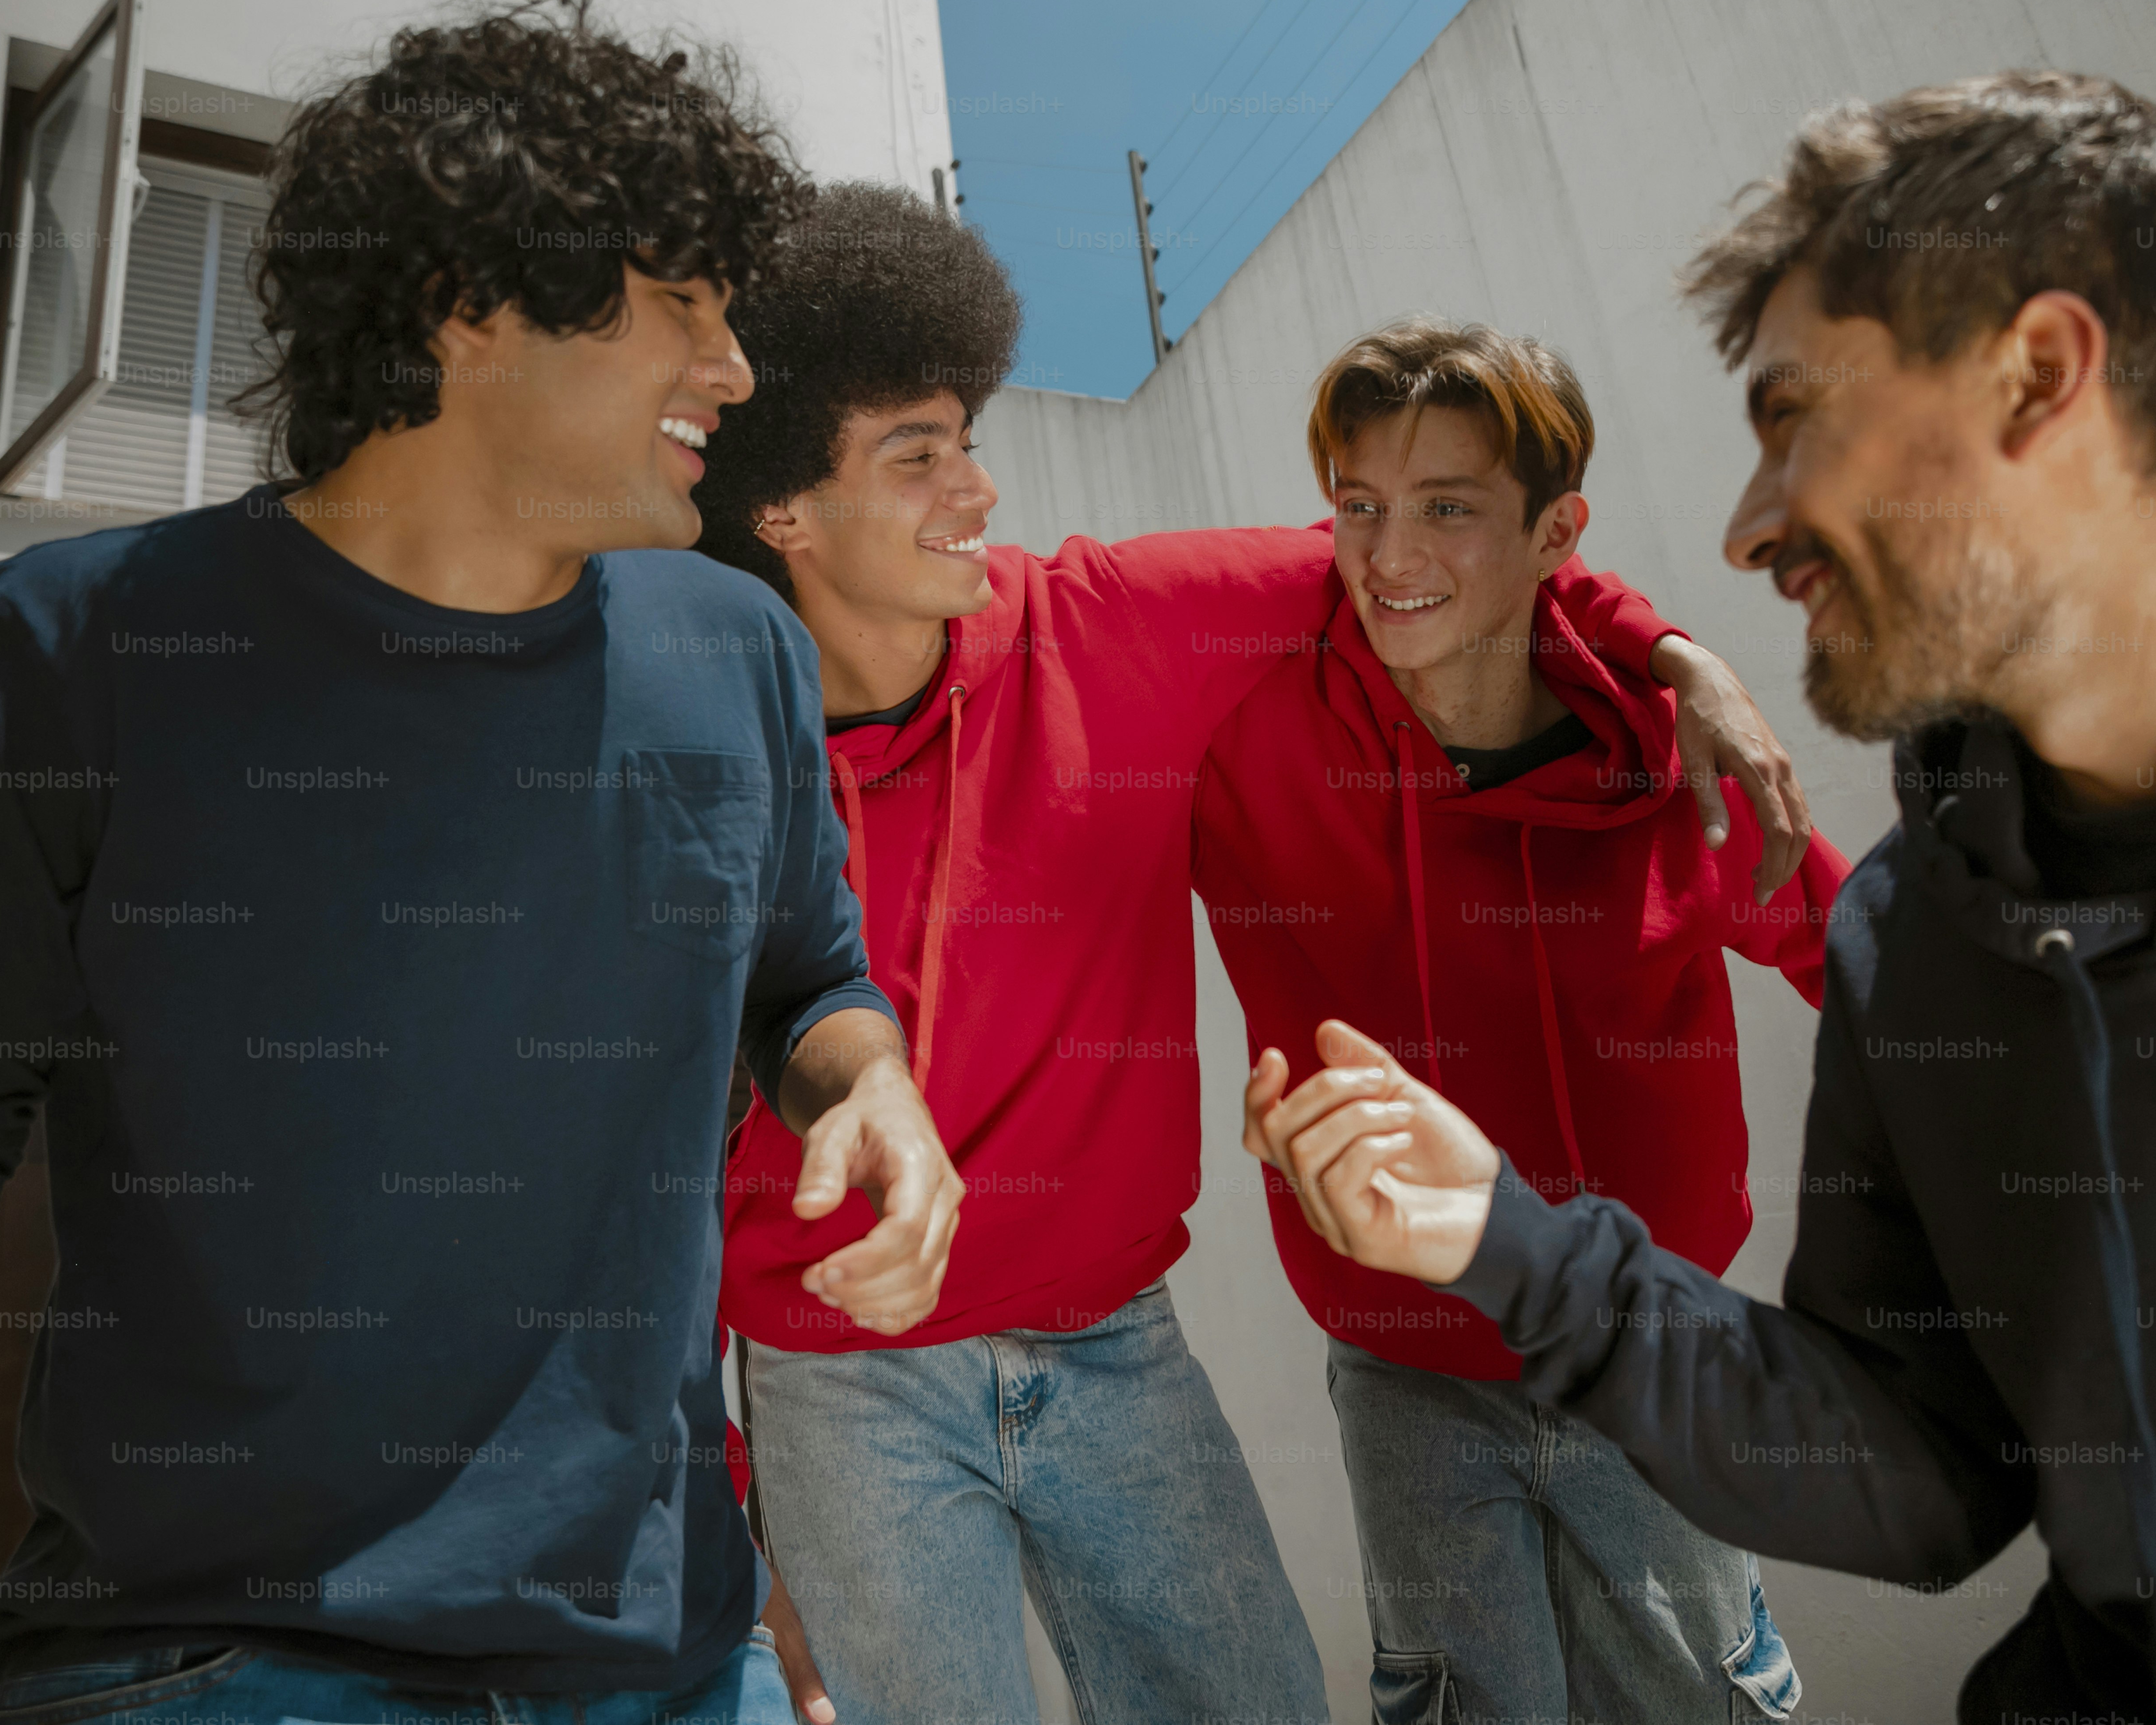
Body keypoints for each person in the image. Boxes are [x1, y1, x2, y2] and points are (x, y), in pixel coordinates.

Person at [1245, 71, 2156, 1725]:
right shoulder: (1923, 941)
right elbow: (1916, 1460)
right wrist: (1505, 1241)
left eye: (1795, 421)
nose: (1749, 531)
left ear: (2040, 375)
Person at [0, 0, 957, 1725]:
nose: (737, 369)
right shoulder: (62, 652)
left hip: (674, 1662)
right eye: (681, 306)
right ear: (464, 305)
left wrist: (871, 1087)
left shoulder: (740, 646)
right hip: (210, 1658)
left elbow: (809, 978)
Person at [689, 180, 1807, 1725]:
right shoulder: (701, 756)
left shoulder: (1116, 627)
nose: (983, 487)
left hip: (1113, 1351)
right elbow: (644, 1170)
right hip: (835, 1381)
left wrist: (1669, 653)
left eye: (971, 435)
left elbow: (1436, 553)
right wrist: (737, 1506)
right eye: (921, 453)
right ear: (781, 508)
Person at [1194, 320, 1843, 1722]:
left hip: (1646, 1345)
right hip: (1406, 1365)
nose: (1388, 554)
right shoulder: (1247, 735)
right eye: (1359, 507)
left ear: (1559, 533)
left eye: (1445, 508)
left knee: (1697, 1701)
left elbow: (1863, 966)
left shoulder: (1683, 776)